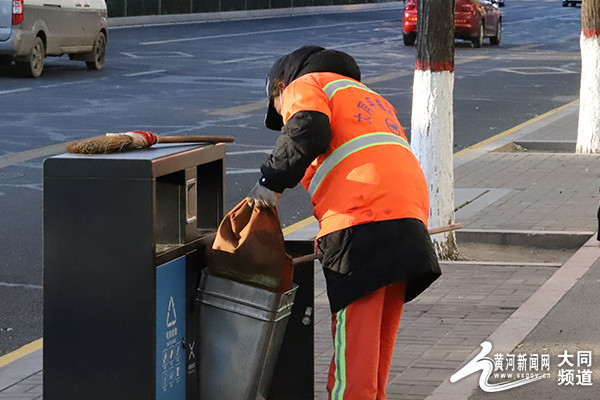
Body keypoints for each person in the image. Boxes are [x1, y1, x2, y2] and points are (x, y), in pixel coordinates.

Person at [246, 45, 441, 400]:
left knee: (353, 363)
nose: (283, 117)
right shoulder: (365, 95)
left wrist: (269, 184)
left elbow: (308, 128)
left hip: (361, 223)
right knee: (374, 355)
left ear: (279, 86)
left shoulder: (305, 84)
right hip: (408, 218)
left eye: (279, 111)